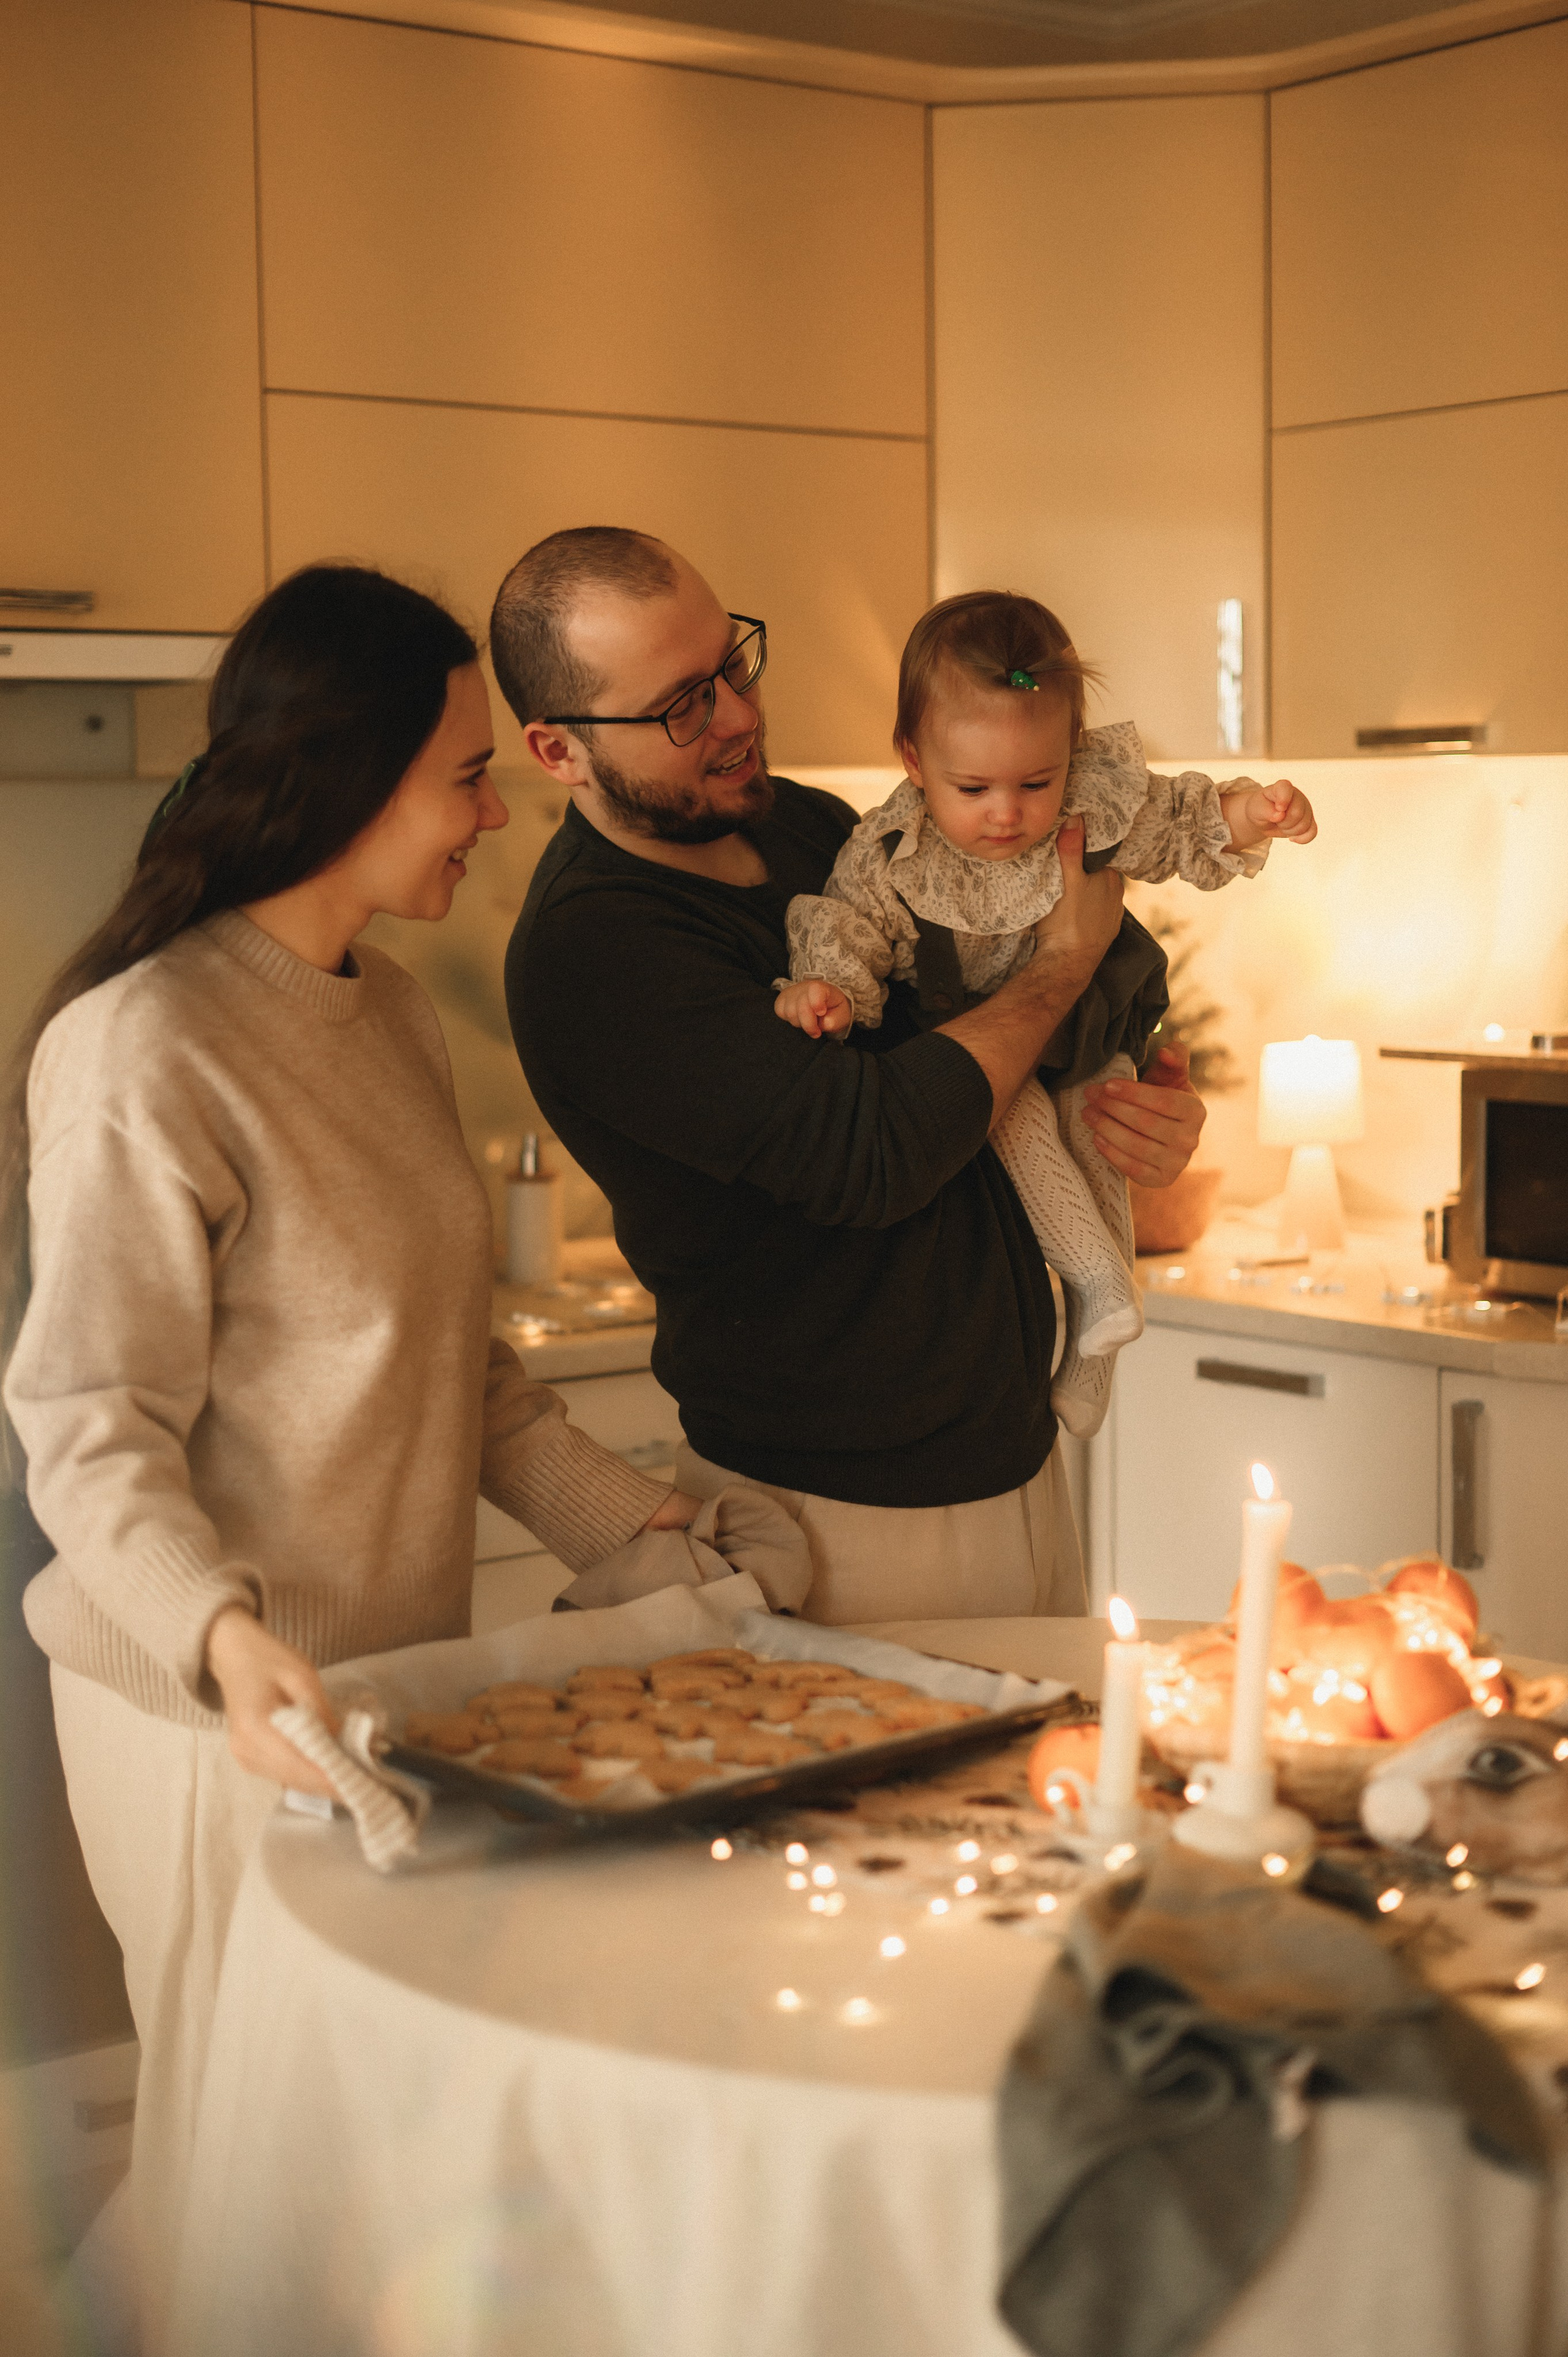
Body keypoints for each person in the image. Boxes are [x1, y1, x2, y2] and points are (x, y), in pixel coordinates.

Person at [0, 564, 696, 2350]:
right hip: (205, 1714)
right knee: (244, 2163)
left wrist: (649, 1528)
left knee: (335, 2164)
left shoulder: (385, 1012)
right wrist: (224, 1639)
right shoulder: (141, 1045)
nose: (494, 811)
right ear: (351, 777)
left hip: (378, 1692)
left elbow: (463, 1375)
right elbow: (85, 1423)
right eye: (466, 774)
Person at [494, 528, 1206, 1627]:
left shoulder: (812, 828)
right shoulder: (597, 948)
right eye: (682, 705)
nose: (737, 716)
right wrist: (1066, 965)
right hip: (838, 1520)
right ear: (558, 751)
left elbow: (988, 1030)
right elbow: (876, 1151)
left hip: (1014, 1467)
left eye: (732, 664)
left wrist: (1135, 1097)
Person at [775, 590, 1317, 1437]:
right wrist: (831, 992)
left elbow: (1177, 821)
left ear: (1073, 754)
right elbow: (851, 927)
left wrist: (1251, 816)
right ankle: (1096, 1280)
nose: (1008, 813)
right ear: (913, 758)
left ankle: (1098, 1341)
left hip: (1093, 1020)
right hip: (981, 1050)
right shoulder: (891, 851)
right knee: (1014, 1114)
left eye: (1037, 781)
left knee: (1099, 1127)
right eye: (973, 786)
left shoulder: (1087, 808)